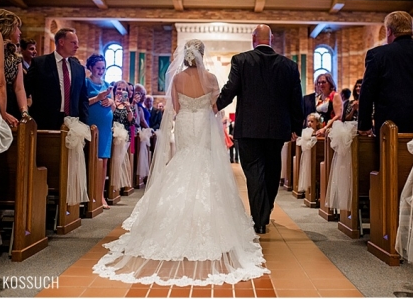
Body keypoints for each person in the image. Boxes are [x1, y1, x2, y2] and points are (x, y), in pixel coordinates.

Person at [93, 39, 269, 286]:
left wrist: (189, 108)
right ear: (202, 55)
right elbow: (216, 107)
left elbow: (175, 108)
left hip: (185, 122)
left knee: (184, 159)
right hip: (205, 123)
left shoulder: (176, 79)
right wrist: (203, 109)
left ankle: (170, 222)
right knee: (205, 162)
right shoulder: (211, 78)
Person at [216, 24, 304, 234]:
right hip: (277, 129)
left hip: (249, 129)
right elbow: (296, 100)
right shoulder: (288, 65)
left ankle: (259, 218)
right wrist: (295, 127)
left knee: (254, 172)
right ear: (271, 39)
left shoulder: (241, 60)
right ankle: (264, 212)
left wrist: (215, 106)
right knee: (273, 171)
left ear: (253, 38)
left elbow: (230, 89)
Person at [358, 11, 413, 136]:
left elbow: (367, 91)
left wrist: (364, 125)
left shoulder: (377, 55)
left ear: (389, 31)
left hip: (390, 128)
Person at [25, 28, 89, 130]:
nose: (77, 46)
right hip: (45, 121)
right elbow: (26, 89)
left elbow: (83, 99)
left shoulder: (79, 68)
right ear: (61, 42)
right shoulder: (40, 63)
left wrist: (83, 122)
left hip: (73, 122)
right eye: (73, 43)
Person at [85, 54, 114, 209]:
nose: (101, 71)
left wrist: (110, 101)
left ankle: (101, 195)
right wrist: (98, 97)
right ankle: (92, 195)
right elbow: (83, 103)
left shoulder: (107, 83)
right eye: (98, 68)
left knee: (104, 162)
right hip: (92, 125)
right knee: (93, 160)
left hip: (105, 129)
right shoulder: (86, 83)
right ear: (90, 68)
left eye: (103, 68)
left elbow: (114, 106)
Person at [0, 9, 29, 120]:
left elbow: (19, 88)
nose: (20, 32)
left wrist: (24, 113)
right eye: (17, 28)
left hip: (11, 103)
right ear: (8, 29)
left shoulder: (15, 57)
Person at [315, 73, 343, 137]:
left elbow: (338, 115)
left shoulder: (335, 95)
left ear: (330, 83)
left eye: (323, 82)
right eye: (319, 82)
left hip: (332, 129)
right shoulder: (319, 97)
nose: (321, 84)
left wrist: (325, 128)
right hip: (320, 129)